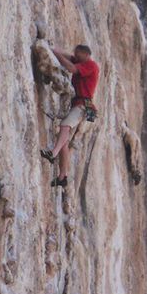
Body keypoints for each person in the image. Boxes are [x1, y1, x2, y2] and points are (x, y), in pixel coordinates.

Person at [40, 43, 99, 188]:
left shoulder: (91, 65)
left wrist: (58, 55)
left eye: (78, 54)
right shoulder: (81, 61)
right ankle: (62, 176)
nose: (75, 57)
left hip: (83, 106)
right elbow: (67, 56)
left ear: (85, 54)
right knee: (64, 141)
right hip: (79, 105)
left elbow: (71, 68)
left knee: (64, 125)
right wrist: (51, 49)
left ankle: (52, 154)